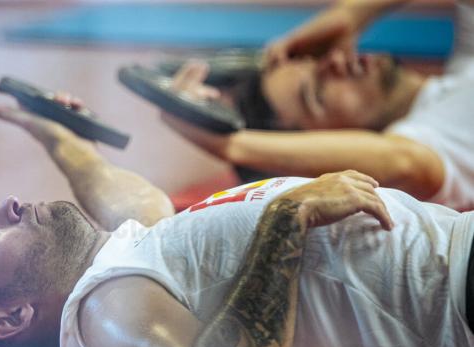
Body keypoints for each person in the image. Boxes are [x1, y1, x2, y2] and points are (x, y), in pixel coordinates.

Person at [0, 97, 474, 347]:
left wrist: (56, 136)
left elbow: (123, 193)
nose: (5, 206)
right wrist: (284, 222)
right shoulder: (105, 312)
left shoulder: (133, 252)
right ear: (10, 318)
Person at [159, 0, 474, 211]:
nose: (336, 61)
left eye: (317, 59)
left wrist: (351, 15)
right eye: (318, 93)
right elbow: (403, 160)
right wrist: (231, 144)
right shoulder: (433, 144)